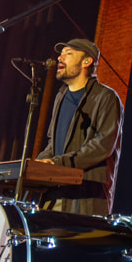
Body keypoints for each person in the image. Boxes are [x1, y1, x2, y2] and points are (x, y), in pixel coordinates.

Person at [36, 38, 122, 216]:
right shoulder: (61, 96)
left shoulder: (105, 97)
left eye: (68, 54)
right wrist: (37, 164)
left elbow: (102, 146)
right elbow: (53, 143)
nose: (60, 58)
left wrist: (57, 163)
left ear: (86, 61)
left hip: (86, 198)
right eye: (60, 54)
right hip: (54, 194)